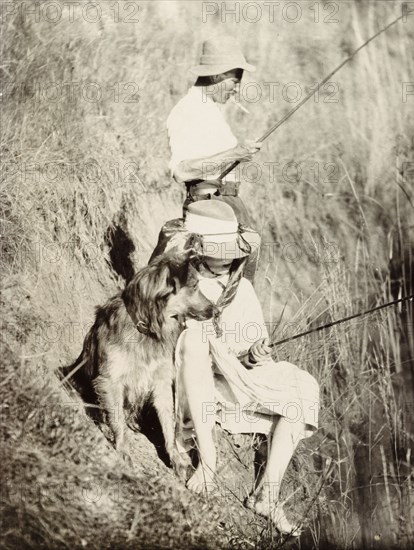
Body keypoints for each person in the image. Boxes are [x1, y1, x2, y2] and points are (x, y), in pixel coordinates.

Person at [167, 201, 320, 536]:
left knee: (304, 385)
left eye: (233, 253)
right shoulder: (180, 282)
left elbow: (250, 359)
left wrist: (255, 353)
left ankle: (268, 494)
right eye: (221, 253)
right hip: (195, 379)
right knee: (194, 341)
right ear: (199, 251)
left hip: (233, 381)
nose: (231, 260)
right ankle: (207, 463)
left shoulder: (243, 289)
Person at [164, 36, 262, 280]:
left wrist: (237, 156)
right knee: (218, 286)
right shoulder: (189, 110)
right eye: (234, 80)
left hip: (225, 206)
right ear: (218, 76)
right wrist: (234, 153)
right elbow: (182, 171)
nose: (237, 88)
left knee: (239, 276)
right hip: (209, 211)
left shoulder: (208, 110)